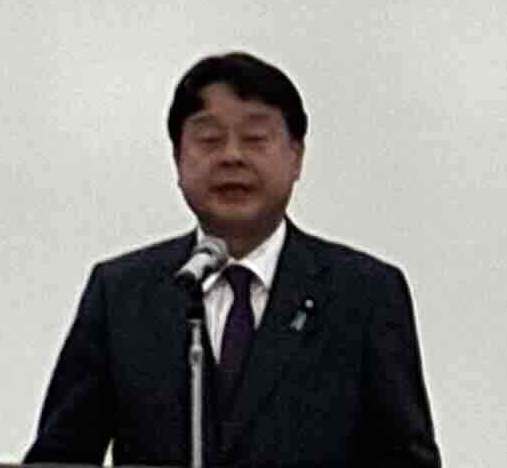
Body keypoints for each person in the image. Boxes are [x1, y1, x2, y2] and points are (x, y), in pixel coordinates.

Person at [25, 51, 439, 468]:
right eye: (209, 140)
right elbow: (60, 458)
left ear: (296, 156)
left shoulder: (364, 295)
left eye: (255, 138)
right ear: (177, 158)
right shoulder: (121, 295)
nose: (232, 156)